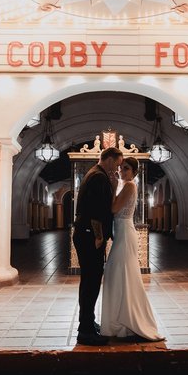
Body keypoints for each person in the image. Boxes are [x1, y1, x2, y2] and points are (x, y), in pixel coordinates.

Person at [99, 157, 164, 341]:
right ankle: (120, 320)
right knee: (118, 274)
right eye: (121, 168)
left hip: (125, 235)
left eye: (126, 169)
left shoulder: (129, 186)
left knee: (122, 274)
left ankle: (128, 319)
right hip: (122, 233)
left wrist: (112, 187)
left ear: (134, 172)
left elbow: (113, 208)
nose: (122, 171)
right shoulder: (126, 185)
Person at [73, 146, 123, 346]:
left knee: (89, 281)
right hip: (90, 235)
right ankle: (85, 332)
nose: (116, 169)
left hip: (86, 233)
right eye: (117, 165)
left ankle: (87, 323)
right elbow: (96, 211)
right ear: (109, 159)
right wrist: (99, 237)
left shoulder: (96, 174)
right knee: (91, 282)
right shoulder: (98, 177)